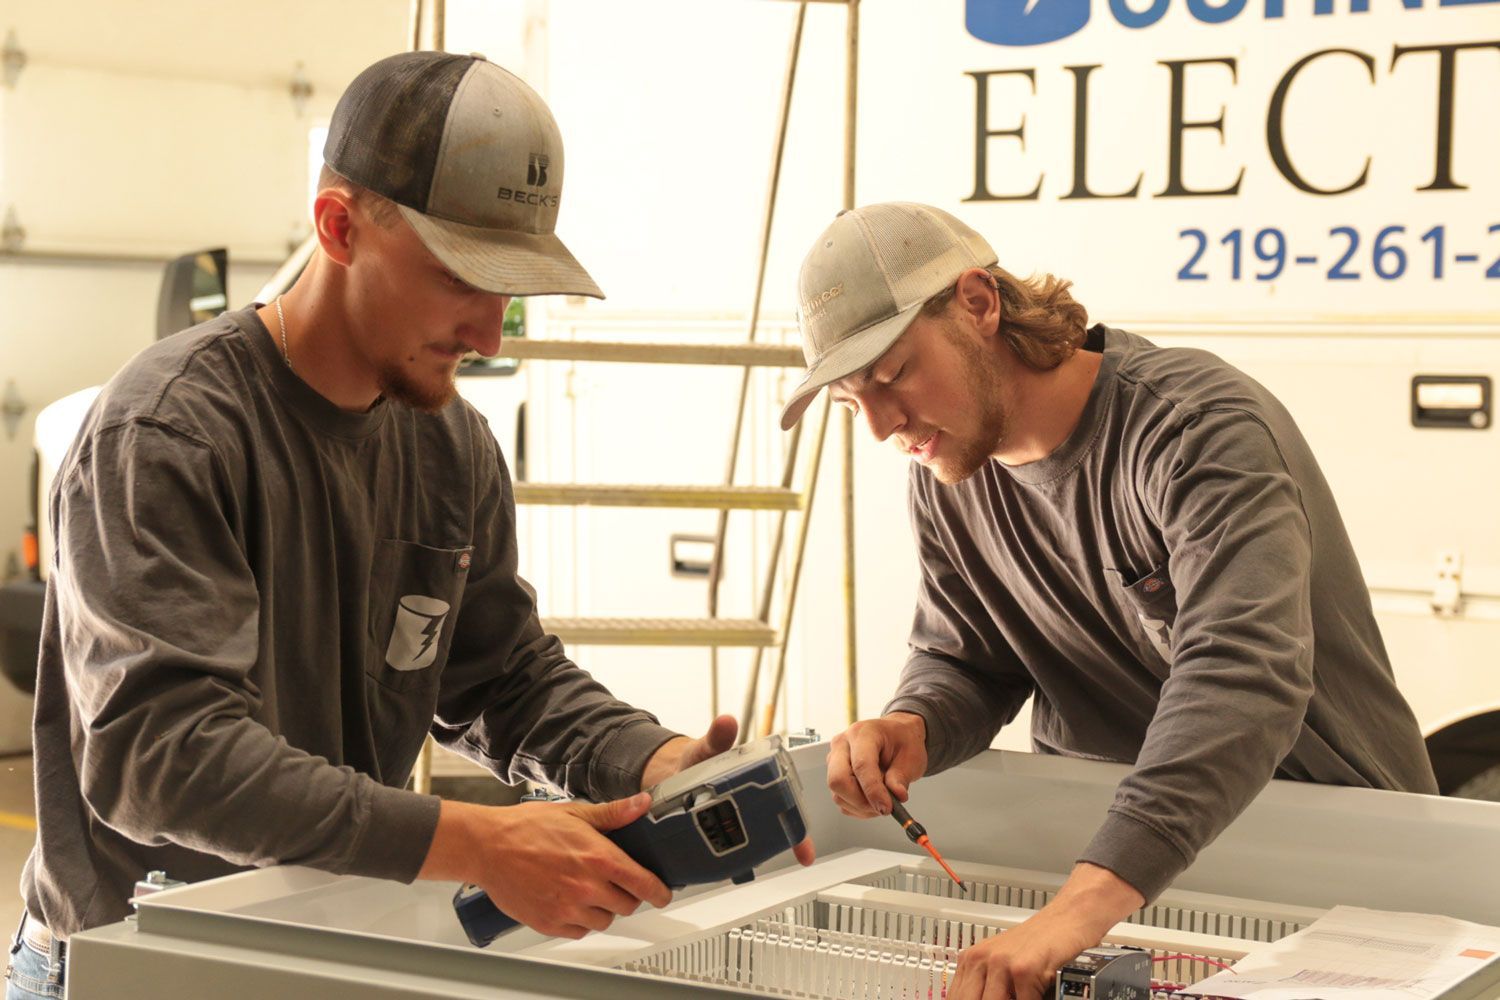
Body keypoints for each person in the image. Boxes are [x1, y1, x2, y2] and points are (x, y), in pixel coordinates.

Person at [9, 51, 809, 1000]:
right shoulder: (171, 432)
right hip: (138, 968)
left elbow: (501, 678)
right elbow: (162, 759)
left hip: (325, 949)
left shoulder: (451, 446)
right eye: (462, 278)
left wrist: (651, 758)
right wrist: (473, 841)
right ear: (339, 227)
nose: (491, 333)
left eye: (512, 288)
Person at [781, 202, 1436, 1000]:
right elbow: (969, 657)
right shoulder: (950, 473)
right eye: (853, 405)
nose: (883, 427)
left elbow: (1240, 680)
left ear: (979, 304)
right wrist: (913, 721)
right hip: (1123, 878)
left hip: (1332, 869)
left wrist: (1075, 912)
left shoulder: (1192, 427)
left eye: (891, 377)